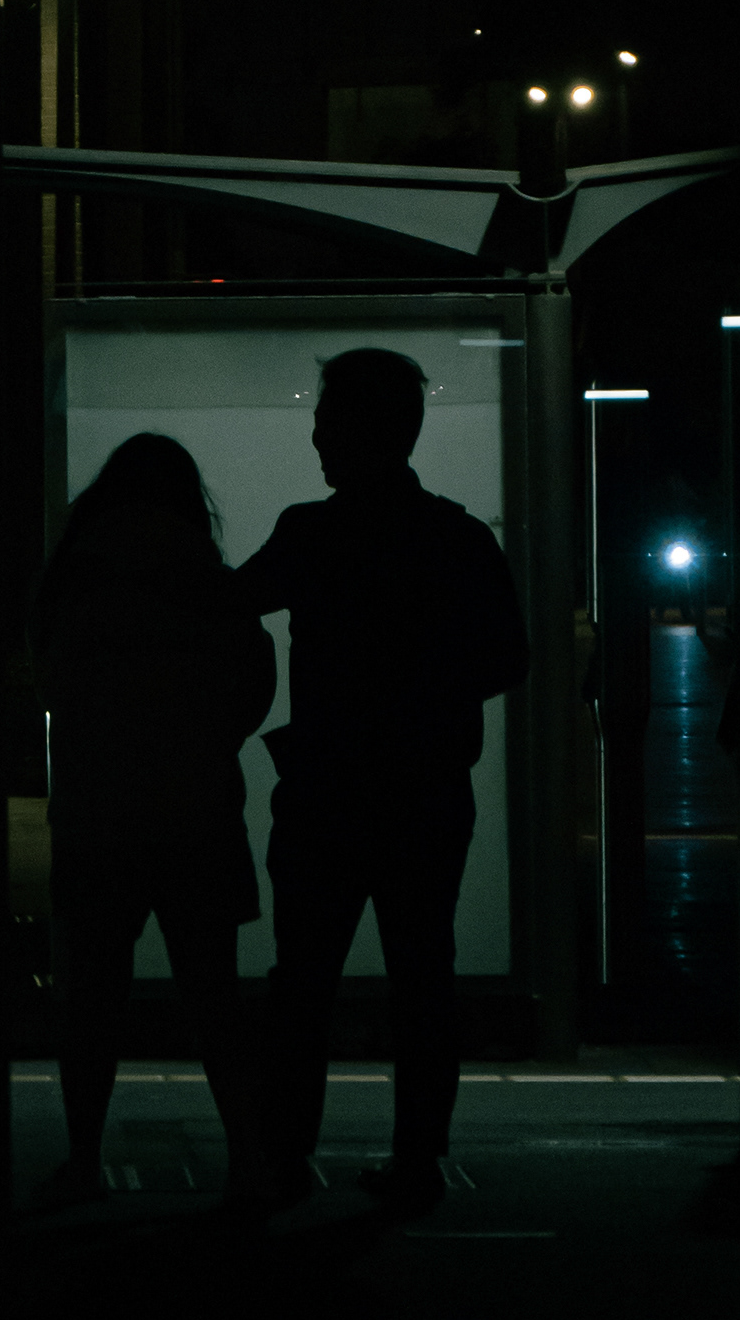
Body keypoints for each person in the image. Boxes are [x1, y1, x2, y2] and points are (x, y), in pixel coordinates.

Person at [238, 348, 528, 1219]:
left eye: (328, 422)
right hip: (426, 788)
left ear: (355, 430)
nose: (317, 436)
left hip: (327, 787)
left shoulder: (311, 533)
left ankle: (287, 1153)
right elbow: (506, 659)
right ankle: (417, 1156)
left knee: (304, 982)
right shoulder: (458, 538)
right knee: (423, 978)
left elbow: (228, 601)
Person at [30, 431, 277, 1208]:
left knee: (94, 999)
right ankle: (246, 1157)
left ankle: (81, 1158)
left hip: (98, 811)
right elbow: (252, 677)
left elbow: (45, 675)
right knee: (213, 999)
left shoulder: (77, 570)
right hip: (195, 808)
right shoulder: (204, 573)